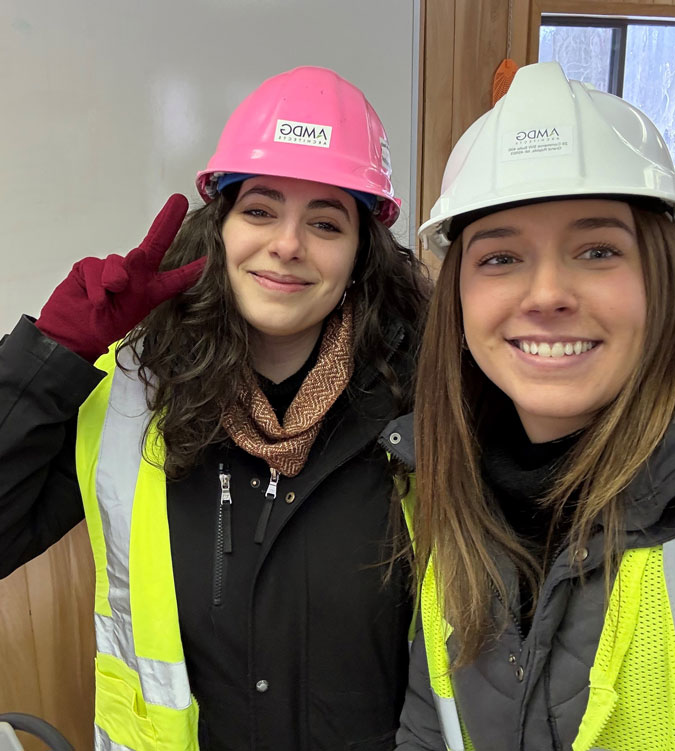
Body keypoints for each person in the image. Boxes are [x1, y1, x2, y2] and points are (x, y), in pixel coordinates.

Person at [0, 66, 428, 749]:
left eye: (325, 221)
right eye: (260, 209)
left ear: (360, 254)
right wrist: (50, 357)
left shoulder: (421, 410)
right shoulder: (134, 397)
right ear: (220, 226)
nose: (287, 244)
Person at [394, 62, 675, 751]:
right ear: (458, 293)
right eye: (500, 258)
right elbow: (427, 730)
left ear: (662, 274)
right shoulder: (446, 485)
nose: (547, 293)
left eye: (596, 250)